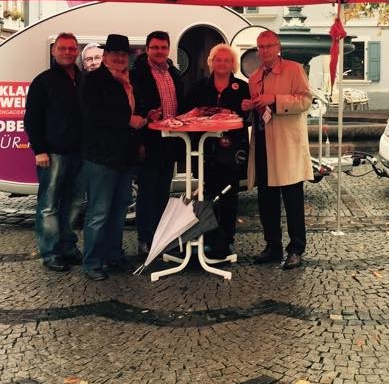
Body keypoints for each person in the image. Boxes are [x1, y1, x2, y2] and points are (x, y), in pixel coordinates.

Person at [241, 30, 313, 270]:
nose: (264, 51)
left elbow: (305, 101)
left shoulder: (294, 69)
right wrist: (249, 106)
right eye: (261, 47)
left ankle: (296, 248)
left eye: (269, 46)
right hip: (262, 143)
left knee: (292, 200)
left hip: (286, 145)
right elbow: (258, 111)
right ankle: (272, 246)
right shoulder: (254, 77)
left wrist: (275, 99)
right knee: (266, 200)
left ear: (278, 46)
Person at [80, 33, 145, 280]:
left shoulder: (129, 81)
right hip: (101, 157)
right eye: (114, 54)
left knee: (119, 209)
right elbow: (94, 116)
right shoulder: (94, 80)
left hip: (124, 156)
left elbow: (134, 112)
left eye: (122, 54)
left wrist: (138, 139)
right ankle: (93, 262)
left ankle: (114, 255)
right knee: (98, 212)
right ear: (105, 57)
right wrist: (129, 120)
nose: (119, 58)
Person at [181, 44, 250, 259]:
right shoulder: (198, 87)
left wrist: (245, 111)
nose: (222, 63)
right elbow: (186, 115)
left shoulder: (243, 87)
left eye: (227, 60)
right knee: (207, 195)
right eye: (218, 60)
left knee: (229, 196)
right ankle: (209, 239)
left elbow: (247, 120)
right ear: (211, 62)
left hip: (232, 152)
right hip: (206, 150)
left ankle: (226, 240)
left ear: (233, 64)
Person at [23, 33, 84, 272]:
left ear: (77, 51)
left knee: (75, 203)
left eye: (71, 48)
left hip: (79, 153)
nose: (67, 52)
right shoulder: (43, 81)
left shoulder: (82, 79)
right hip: (53, 153)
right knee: (49, 205)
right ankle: (50, 252)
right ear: (53, 51)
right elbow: (32, 119)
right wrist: (40, 150)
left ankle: (67, 247)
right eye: (62, 48)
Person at [131, 30, 183, 257]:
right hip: (149, 141)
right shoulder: (137, 73)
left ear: (168, 49)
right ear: (147, 49)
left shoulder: (174, 72)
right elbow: (133, 108)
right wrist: (139, 141)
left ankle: (160, 237)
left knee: (163, 193)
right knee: (146, 194)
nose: (160, 51)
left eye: (163, 47)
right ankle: (145, 239)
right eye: (155, 48)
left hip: (170, 142)